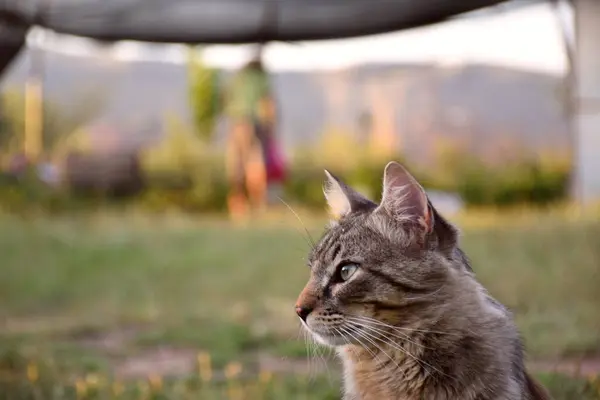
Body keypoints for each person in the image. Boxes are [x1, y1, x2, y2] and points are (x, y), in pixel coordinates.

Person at [223, 45, 282, 220]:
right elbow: (268, 102)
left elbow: (224, 98)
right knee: (255, 164)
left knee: (236, 166)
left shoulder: (237, 77)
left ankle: (238, 207)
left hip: (235, 124)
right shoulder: (260, 76)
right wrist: (272, 128)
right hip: (253, 124)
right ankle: (258, 205)